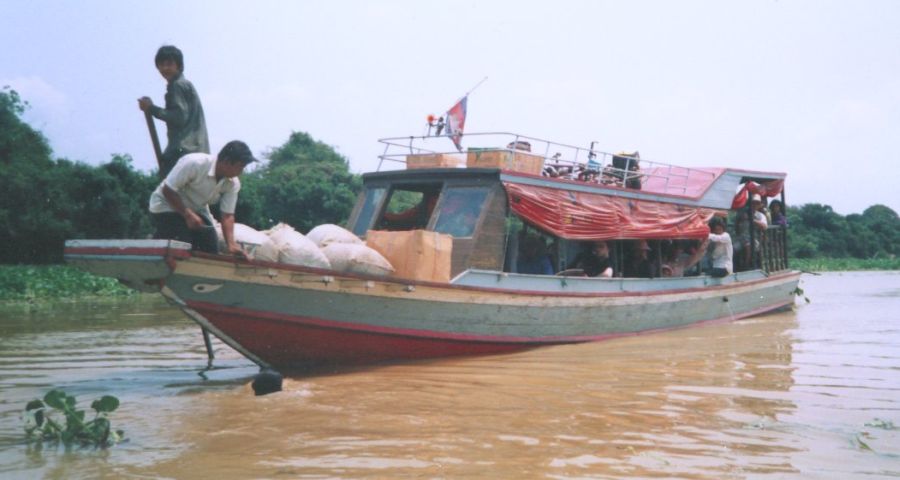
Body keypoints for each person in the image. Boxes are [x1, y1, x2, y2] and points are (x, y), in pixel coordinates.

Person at [148, 140, 256, 257]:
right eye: (240, 167)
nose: (241, 171)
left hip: (195, 211)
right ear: (226, 162)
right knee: (182, 243)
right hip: (165, 206)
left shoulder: (233, 183)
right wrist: (187, 214)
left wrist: (231, 244)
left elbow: (227, 215)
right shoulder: (195, 163)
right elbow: (167, 190)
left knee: (210, 247)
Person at [139, 45, 210, 177]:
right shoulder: (184, 84)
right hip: (198, 152)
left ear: (179, 66)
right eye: (161, 64)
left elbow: (179, 117)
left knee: (166, 192)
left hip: (183, 152)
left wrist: (151, 109)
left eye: (169, 64)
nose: (165, 68)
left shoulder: (177, 86)